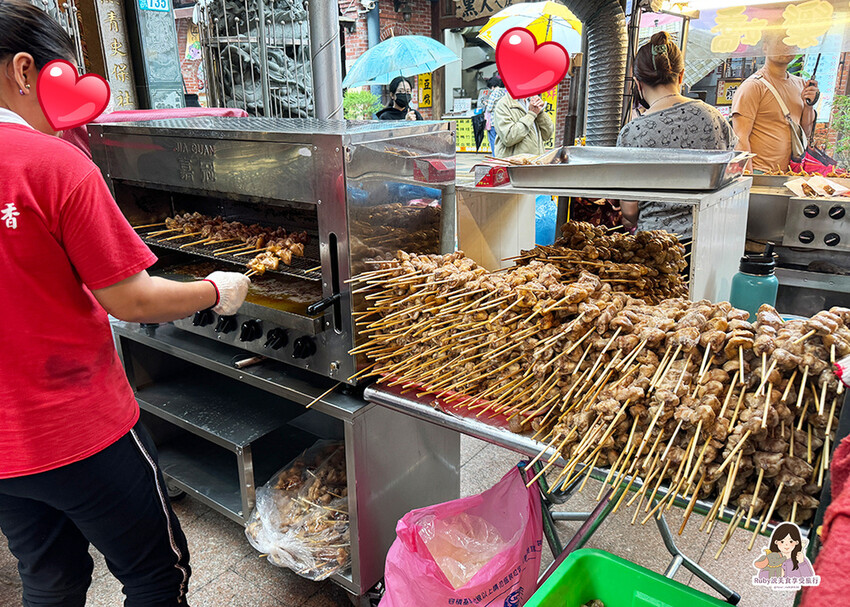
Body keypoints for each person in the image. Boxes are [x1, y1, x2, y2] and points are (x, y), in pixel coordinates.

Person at [0, 2, 250, 605]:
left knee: (49, 577)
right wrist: (216, 290)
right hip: (79, 429)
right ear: (27, 70)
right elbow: (130, 299)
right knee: (156, 575)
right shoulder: (52, 164)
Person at [617, 31, 736, 239]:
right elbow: (733, 175)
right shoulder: (714, 117)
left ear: (638, 84)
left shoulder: (632, 132)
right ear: (681, 76)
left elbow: (629, 210)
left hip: (656, 245)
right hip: (711, 237)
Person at [731, 30, 819, 173]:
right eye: (780, 41)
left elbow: (805, 133)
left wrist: (809, 106)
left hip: (791, 173)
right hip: (760, 172)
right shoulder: (753, 86)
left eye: (791, 41)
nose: (786, 45)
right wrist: (749, 178)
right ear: (765, 47)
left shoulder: (801, 84)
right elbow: (740, 137)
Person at [492, 92, 553, 158]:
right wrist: (531, 114)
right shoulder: (504, 104)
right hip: (516, 163)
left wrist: (540, 112)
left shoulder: (531, 101)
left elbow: (547, 135)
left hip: (537, 161)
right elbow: (508, 138)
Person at [483, 74, 506, 153]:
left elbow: (489, 108)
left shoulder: (493, 93)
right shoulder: (503, 92)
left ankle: (494, 155)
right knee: (500, 140)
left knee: (493, 139)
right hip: (502, 120)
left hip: (493, 120)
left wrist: (486, 104)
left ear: (492, 86)